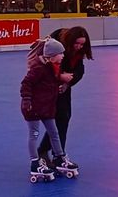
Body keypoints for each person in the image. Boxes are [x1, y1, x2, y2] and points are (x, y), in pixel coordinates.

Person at [21, 38, 78, 179]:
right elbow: (26, 83)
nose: (63, 56)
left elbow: (51, 80)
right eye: (61, 53)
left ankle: (59, 157)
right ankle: (35, 163)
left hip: (47, 107)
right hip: (33, 107)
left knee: (54, 132)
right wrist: (27, 99)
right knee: (34, 134)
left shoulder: (53, 69)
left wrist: (61, 81)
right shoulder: (38, 69)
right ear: (52, 56)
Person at [37, 26, 92, 166]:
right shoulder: (54, 45)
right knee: (59, 119)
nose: (79, 47)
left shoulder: (77, 53)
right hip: (48, 88)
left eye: (82, 44)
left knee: (63, 118)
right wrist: (60, 77)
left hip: (63, 89)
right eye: (77, 43)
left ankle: (49, 152)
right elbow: (41, 67)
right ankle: (56, 154)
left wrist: (68, 83)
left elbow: (79, 70)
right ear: (70, 40)